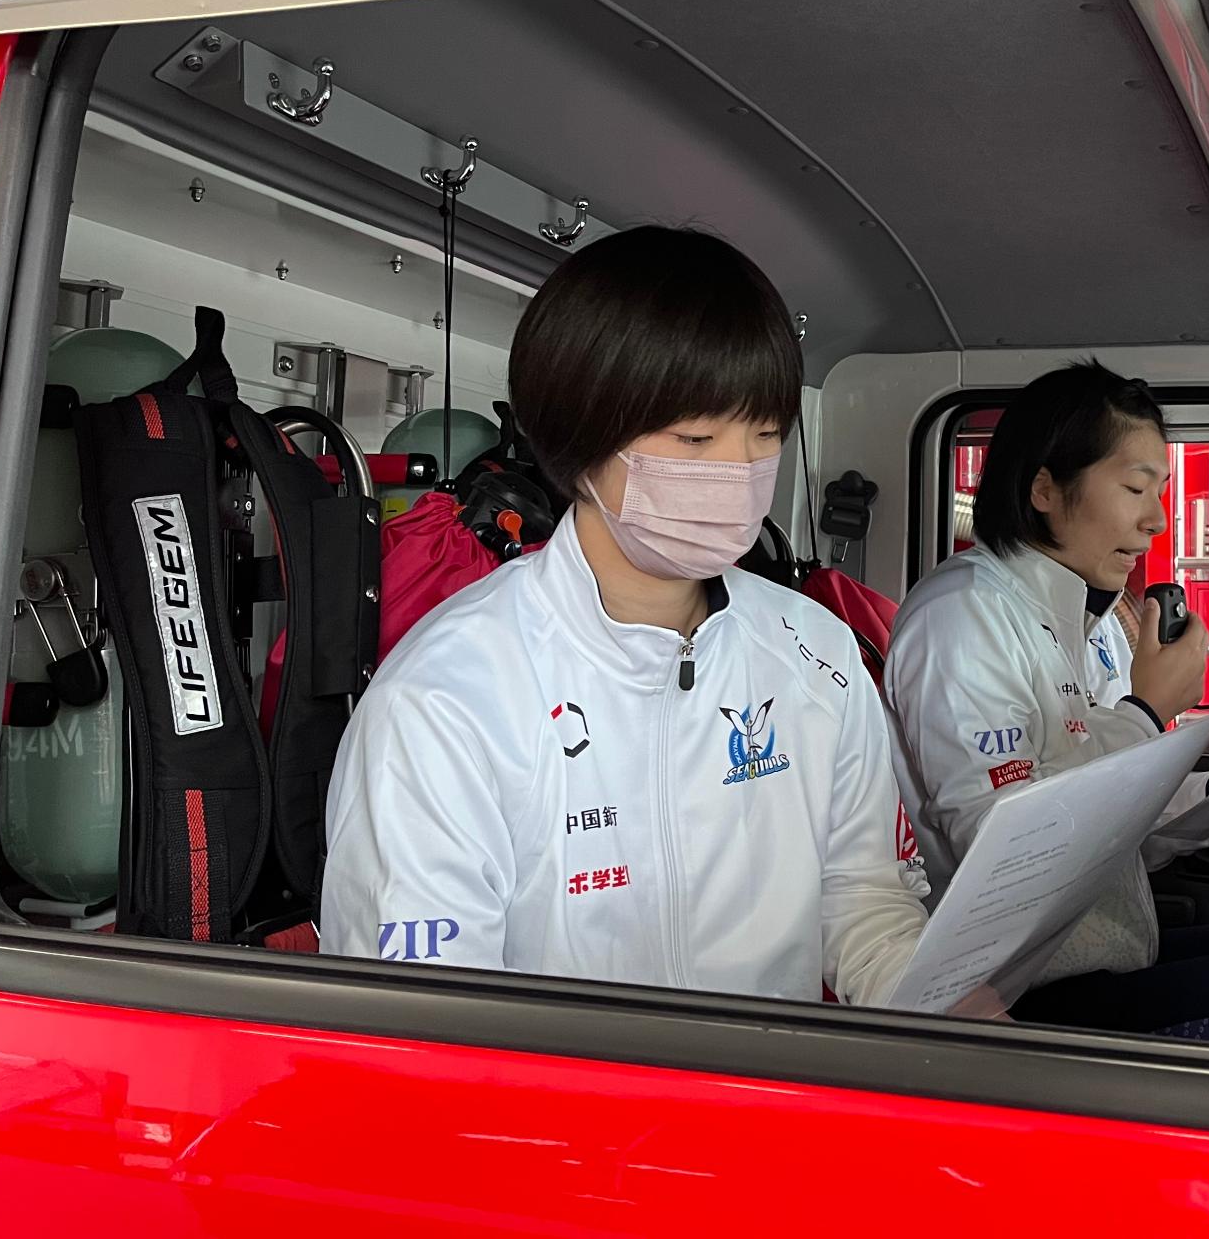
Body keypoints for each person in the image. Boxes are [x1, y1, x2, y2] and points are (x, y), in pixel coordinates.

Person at [321, 227, 928, 1008]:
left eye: (766, 437)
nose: (741, 474)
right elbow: (421, 1022)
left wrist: (947, 1011)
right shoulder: (446, 696)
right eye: (697, 438)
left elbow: (862, 897)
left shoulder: (816, 651)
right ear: (582, 439)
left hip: (776, 1113)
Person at [886, 361, 1209, 1049]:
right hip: (1014, 993)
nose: (1158, 518)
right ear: (1046, 487)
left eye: (1162, 489)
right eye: (1136, 487)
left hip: (1098, 950)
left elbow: (1108, 808)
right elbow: (1005, 848)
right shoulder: (963, 616)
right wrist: (1146, 711)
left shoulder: (1100, 621)